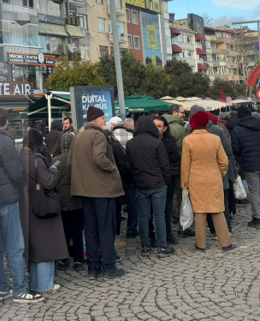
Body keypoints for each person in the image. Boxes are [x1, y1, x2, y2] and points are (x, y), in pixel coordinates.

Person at [0, 109, 40, 304]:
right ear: (6, 122)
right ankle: (19, 290)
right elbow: (15, 172)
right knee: (15, 246)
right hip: (6, 198)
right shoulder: (6, 142)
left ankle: (2, 288)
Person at [70, 106, 125, 279]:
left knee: (91, 230)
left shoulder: (78, 136)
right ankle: (109, 266)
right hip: (102, 190)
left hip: (85, 190)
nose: (105, 121)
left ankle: (93, 268)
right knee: (106, 229)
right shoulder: (98, 135)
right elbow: (99, 157)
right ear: (95, 120)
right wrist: (113, 169)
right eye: (102, 118)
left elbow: (71, 161)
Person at [20, 129, 67, 295]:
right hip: (40, 206)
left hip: (24, 206)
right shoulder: (37, 160)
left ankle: (34, 283)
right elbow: (48, 182)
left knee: (32, 247)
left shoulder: (17, 159)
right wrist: (54, 171)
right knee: (46, 246)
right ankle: (45, 284)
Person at [182, 111, 234, 251]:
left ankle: (201, 244)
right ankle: (225, 243)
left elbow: (185, 165)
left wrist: (184, 184)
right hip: (214, 178)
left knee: (199, 212)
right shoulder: (214, 138)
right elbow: (224, 161)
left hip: (196, 179)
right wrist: (220, 172)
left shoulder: (187, 140)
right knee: (217, 210)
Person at [126, 116, 174, 258]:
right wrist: (167, 181)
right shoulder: (157, 143)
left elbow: (128, 166)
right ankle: (162, 246)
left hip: (141, 184)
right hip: (158, 183)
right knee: (159, 215)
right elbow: (165, 165)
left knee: (144, 216)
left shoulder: (131, 144)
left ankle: (145, 246)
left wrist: (136, 176)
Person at [53, 125, 84, 272]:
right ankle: (78, 259)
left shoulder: (56, 161)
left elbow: (51, 180)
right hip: (77, 199)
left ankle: (64, 258)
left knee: (64, 231)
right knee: (78, 231)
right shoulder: (79, 159)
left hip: (61, 200)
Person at [153, 115, 179, 246]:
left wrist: (163, 157)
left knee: (167, 208)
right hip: (152, 179)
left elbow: (176, 156)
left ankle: (167, 233)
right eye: (155, 126)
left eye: (159, 126)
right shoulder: (149, 139)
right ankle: (152, 235)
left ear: (165, 128)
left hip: (166, 178)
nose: (157, 128)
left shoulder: (169, 140)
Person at [162, 104, 186, 232]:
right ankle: (178, 216)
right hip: (178, 166)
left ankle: (167, 217)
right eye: (182, 112)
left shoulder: (160, 125)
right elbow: (182, 150)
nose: (184, 115)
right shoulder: (179, 128)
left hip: (163, 168)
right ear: (175, 113)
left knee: (167, 195)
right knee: (180, 193)